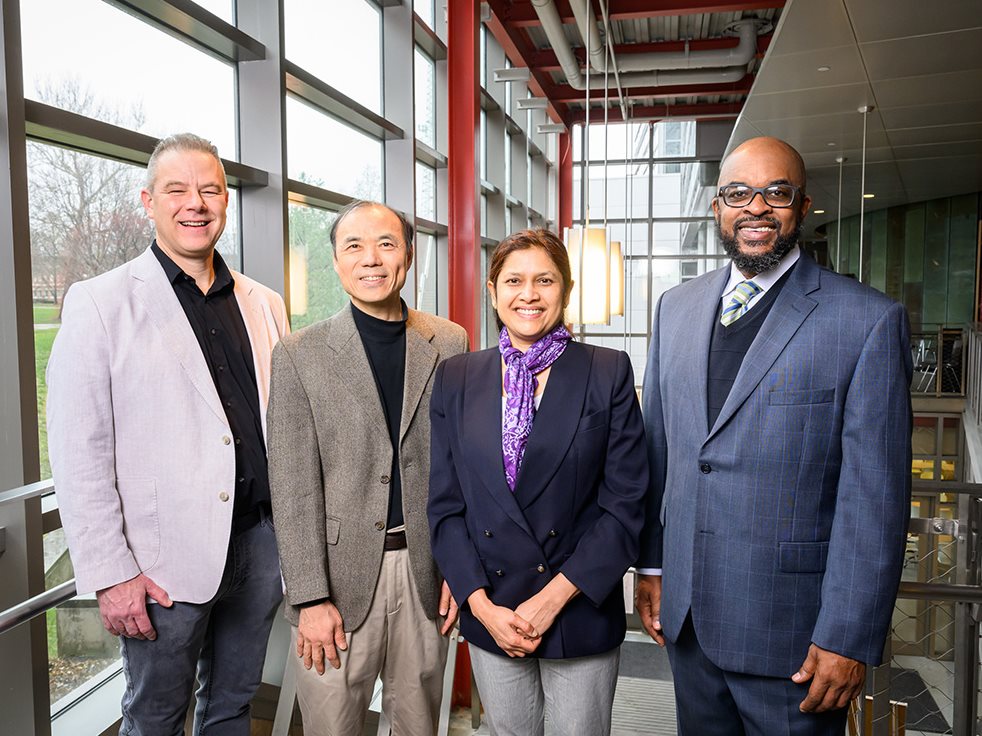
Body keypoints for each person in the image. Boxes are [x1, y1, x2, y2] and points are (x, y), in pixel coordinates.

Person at [636, 136, 912, 735]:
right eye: (738, 193)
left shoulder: (865, 320)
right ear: (716, 207)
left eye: (776, 192)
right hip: (690, 623)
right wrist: (652, 567)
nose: (755, 208)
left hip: (797, 639)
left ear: (803, 204)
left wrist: (848, 635)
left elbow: (876, 499)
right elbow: (659, 455)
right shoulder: (675, 308)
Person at [46, 133, 290, 735]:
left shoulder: (265, 304)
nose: (195, 204)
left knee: (232, 708)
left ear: (226, 202)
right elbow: (80, 456)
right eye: (176, 190)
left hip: (258, 546)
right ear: (147, 201)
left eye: (209, 190)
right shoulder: (100, 304)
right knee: (154, 717)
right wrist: (110, 573)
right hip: (161, 566)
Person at [428, 229, 649, 736]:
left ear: (565, 291)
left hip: (576, 606)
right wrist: (479, 605)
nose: (528, 294)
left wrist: (548, 601)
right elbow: (445, 504)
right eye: (514, 281)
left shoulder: (606, 371)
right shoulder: (457, 376)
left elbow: (626, 505)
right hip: (493, 608)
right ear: (493, 291)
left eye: (544, 280)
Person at [266, 200, 468, 735]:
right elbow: (291, 488)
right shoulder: (298, 354)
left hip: (425, 570)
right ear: (336, 261)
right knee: (334, 724)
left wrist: (460, 568)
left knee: (420, 723)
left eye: (385, 243)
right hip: (336, 581)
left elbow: (461, 467)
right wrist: (309, 597)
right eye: (354, 246)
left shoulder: (449, 342)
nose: (371, 258)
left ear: (407, 254)